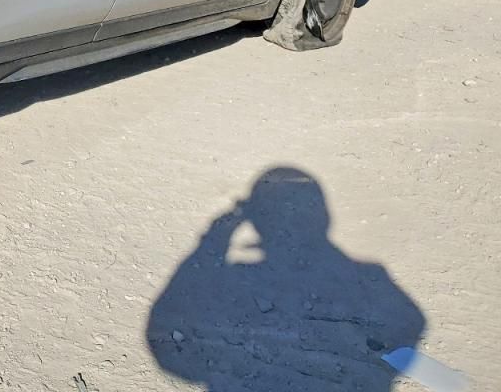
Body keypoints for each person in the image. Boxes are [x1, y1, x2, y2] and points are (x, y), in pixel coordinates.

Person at [147, 167, 424, 391]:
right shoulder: (373, 281)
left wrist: (213, 240)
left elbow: (166, 346)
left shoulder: (237, 277)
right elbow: (408, 331)